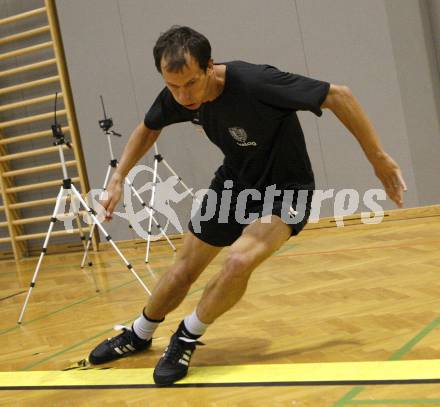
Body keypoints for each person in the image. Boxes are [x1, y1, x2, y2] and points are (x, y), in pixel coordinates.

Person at [88, 25, 407, 385]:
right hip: (236, 181)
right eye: (173, 86)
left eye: (190, 83)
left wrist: (377, 158)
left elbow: (340, 96)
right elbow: (148, 128)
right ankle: (139, 332)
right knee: (182, 269)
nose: (182, 95)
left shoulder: (256, 83)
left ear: (210, 66)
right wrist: (117, 179)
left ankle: (185, 336)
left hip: (287, 188)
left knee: (239, 260)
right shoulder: (178, 94)